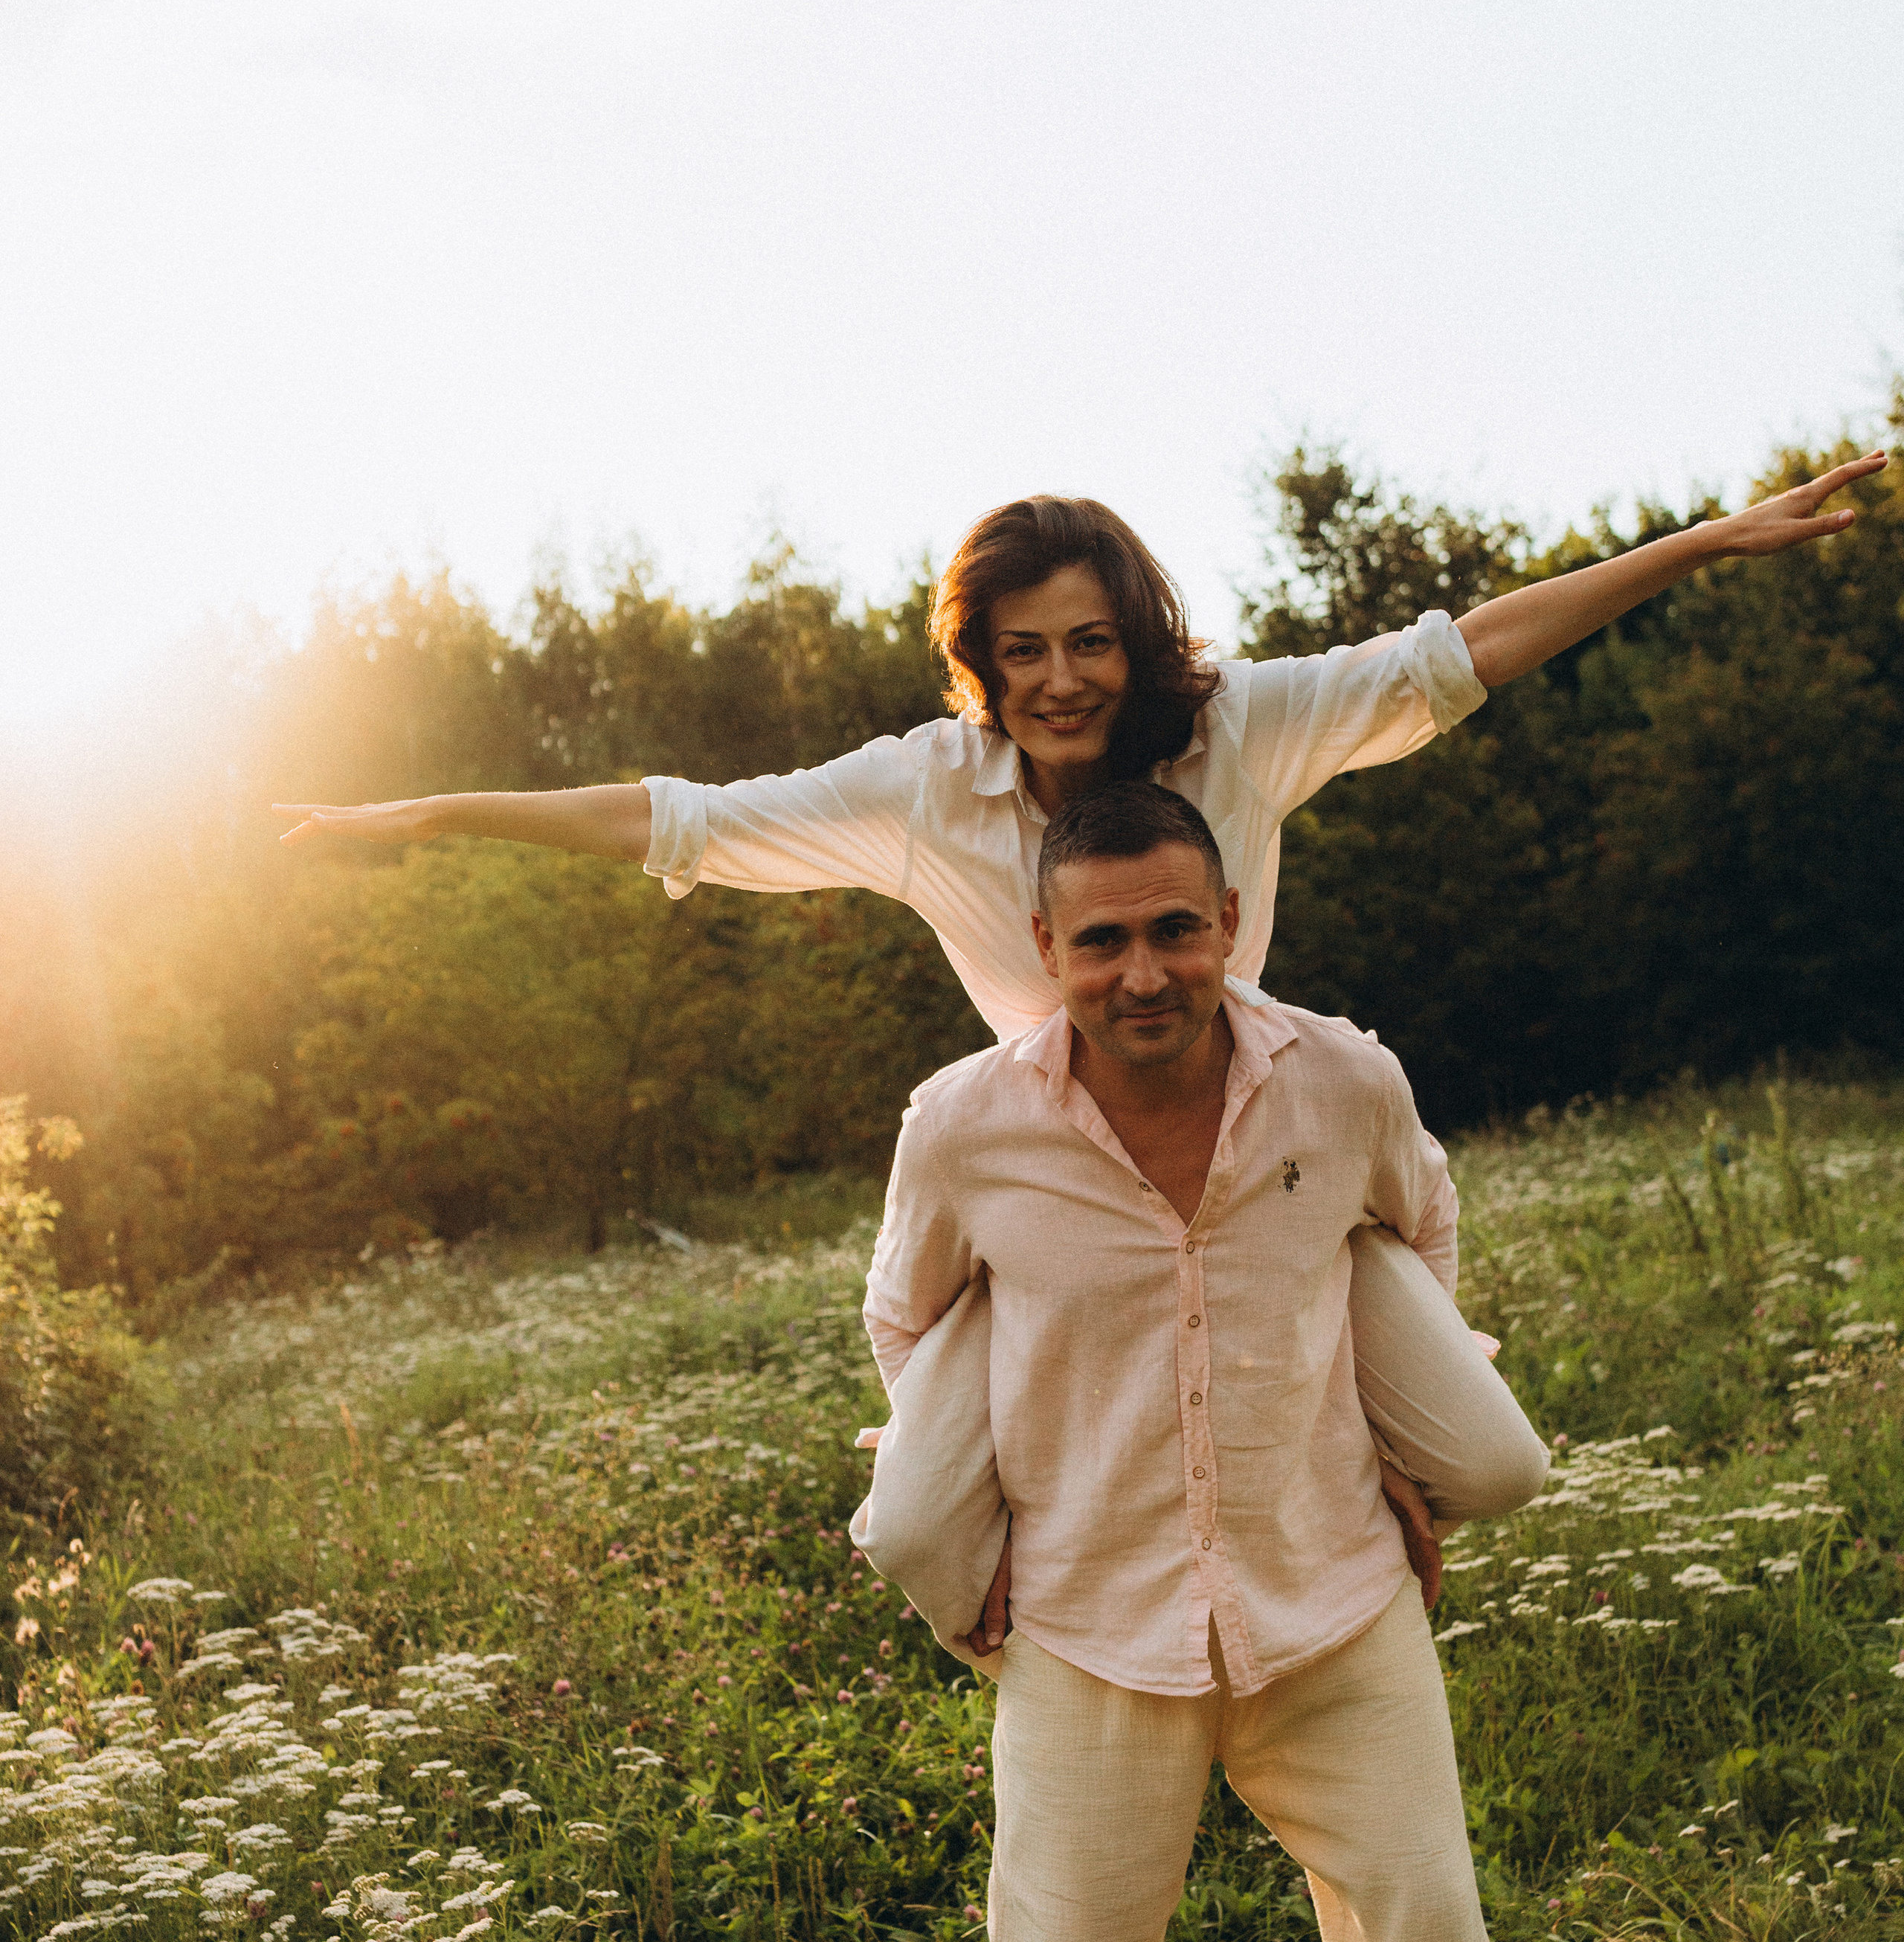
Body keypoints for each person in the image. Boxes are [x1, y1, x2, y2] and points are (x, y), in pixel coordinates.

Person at [278, 454, 1888, 1618]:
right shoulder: (926, 788)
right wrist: (428, 816)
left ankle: (1326, 1495)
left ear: (1136, 641)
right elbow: (678, 816)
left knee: (1490, 1462)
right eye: (1023, 649)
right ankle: (1057, 1610)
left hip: (1259, 1139)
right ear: (980, 661)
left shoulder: (1238, 727)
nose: (1058, 680)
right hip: (1049, 1177)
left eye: (1089, 641)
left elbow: (1457, 655)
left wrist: (1699, 543)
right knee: (909, 1524)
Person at [861, 777, 1531, 1942]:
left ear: (1228, 924)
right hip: (1087, 1627)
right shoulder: (964, 1122)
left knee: (1425, 1937)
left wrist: (1395, 1441)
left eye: (1175, 929)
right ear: (1044, 947)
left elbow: (1417, 1230)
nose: (1142, 971)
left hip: (1328, 1598)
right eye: (1102, 941)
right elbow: (906, 1323)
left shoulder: (1340, 1082)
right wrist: (969, 1531)